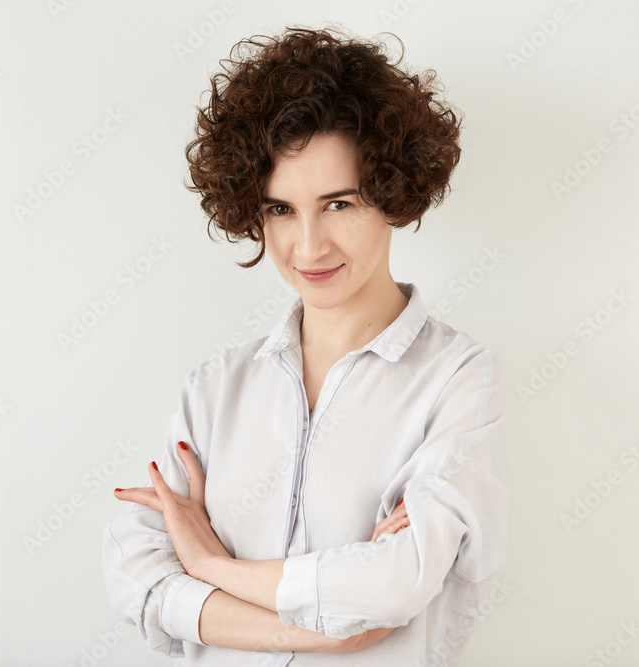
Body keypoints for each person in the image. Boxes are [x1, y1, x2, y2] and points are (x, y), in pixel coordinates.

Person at [102, 25, 508, 665]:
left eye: (338, 204)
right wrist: (322, 629)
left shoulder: (459, 378)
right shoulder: (216, 387)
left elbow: (396, 583)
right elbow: (137, 574)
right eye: (281, 210)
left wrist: (210, 565)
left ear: (392, 193)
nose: (309, 246)